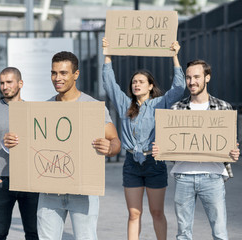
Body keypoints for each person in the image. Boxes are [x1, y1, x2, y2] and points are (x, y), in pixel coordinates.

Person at [4, 51, 121, 240]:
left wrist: (110, 148)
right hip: (49, 191)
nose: (57, 78)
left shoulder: (91, 107)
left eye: (63, 73)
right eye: (54, 73)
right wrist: (11, 142)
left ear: (76, 74)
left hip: (83, 191)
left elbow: (115, 141)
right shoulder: (44, 109)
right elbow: (27, 144)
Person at [102, 38, 186, 240]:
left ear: (150, 86)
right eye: (133, 82)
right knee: (134, 213)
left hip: (154, 163)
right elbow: (109, 84)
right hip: (131, 163)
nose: (136, 84)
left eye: (140, 82)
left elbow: (179, 87)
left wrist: (174, 55)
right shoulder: (125, 105)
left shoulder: (161, 102)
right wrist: (107, 54)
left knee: (157, 212)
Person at [152, 59, 240, 240]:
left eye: (197, 77)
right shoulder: (176, 109)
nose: (192, 82)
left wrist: (234, 153)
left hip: (213, 177)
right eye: (188, 77)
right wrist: (160, 150)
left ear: (207, 78)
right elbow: (169, 146)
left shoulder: (223, 108)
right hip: (184, 176)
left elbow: (231, 146)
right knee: (183, 234)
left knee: (220, 233)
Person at [0, 67, 39, 240]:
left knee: (33, 232)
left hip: (29, 180)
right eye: (2, 83)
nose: (5, 87)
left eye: (9, 82)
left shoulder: (33, 110)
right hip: (2, 180)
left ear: (20, 83)